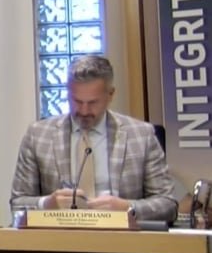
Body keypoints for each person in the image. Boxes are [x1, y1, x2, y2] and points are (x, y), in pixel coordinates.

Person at [10, 55, 177, 221]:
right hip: (58, 239)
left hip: (122, 241)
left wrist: (128, 208)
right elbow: (17, 203)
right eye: (76, 101)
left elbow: (168, 204)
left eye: (92, 102)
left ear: (110, 95)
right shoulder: (38, 135)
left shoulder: (141, 136)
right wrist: (46, 204)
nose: (83, 110)